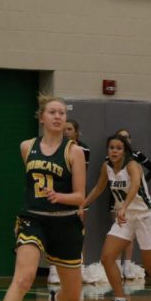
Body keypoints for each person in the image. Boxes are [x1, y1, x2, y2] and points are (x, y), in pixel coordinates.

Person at [0, 95, 85, 301]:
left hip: (66, 222)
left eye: (62, 113)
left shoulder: (74, 151)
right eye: (52, 112)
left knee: (74, 294)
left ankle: (60, 300)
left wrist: (60, 197)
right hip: (34, 220)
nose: (58, 116)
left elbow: (80, 197)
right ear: (41, 117)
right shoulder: (27, 146)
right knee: (24, 278)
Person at [80, 134, 151, 301]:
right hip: (125, 218)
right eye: (111, 147)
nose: (114, 151)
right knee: (107, 257)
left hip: (144, 216)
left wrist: (124, 206)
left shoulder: (133, 165)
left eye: (118, 148)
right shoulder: (107, 167)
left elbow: (135, 186)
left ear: (125, 150)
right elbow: (99, 187)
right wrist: (83, 204)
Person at [48, 118, 91, 284]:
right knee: (54, 231)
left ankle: (80, 266)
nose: (65, 132)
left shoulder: (83, 149)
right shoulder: (54, 147)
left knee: (78, 232)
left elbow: (80, 175)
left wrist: (80, 203)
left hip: (76, 194)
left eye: (69, 129)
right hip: (57, 193)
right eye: (64, 129)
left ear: (76, 132)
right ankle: (53, 269)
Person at [115, 128, 151, 280]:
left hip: (136, 201)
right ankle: (117, 264)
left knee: (130, 235)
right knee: (119, 231)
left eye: (126, 138)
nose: (123, 140)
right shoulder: (112, 158)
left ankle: (127, 264)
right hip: (117, 197)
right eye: (120, 137)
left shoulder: (135, 156)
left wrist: (139, 183)